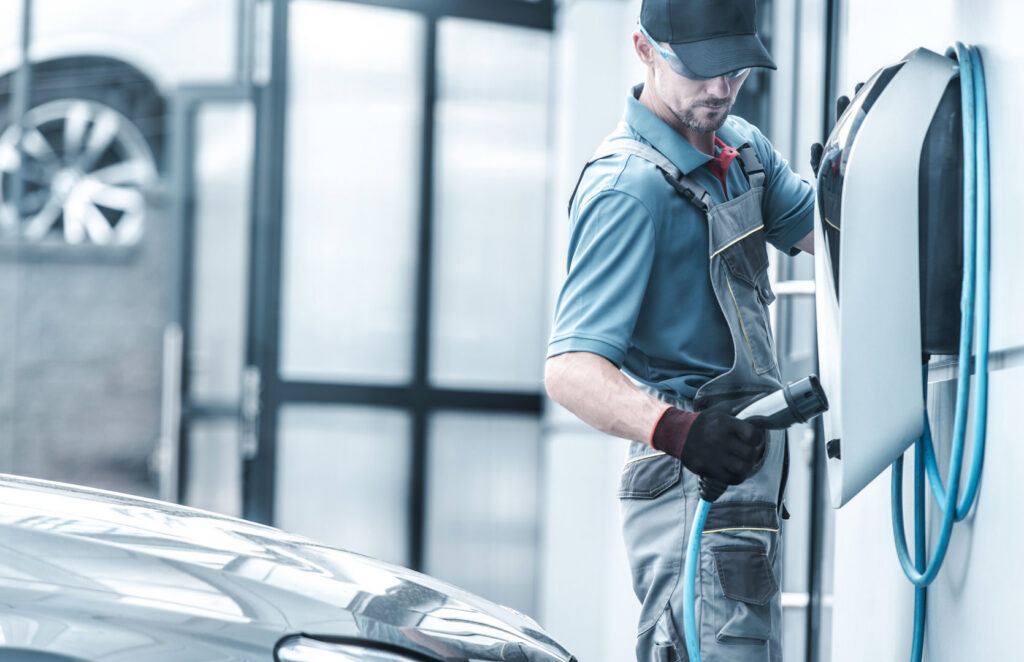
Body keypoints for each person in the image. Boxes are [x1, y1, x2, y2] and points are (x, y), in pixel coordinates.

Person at [543, 1, 815, 660]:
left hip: (744, 467)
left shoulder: (743, 153)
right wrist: (681, 432)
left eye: (736, 68)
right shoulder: (627, 189)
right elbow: (570, 370)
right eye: (701, 70)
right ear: (643, 48)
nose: (722, 89)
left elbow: (830, 238)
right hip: (689, 474)